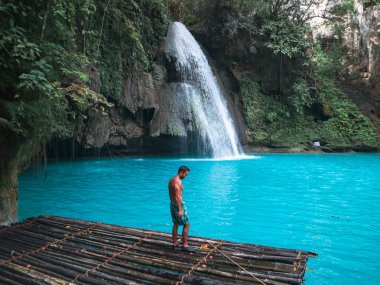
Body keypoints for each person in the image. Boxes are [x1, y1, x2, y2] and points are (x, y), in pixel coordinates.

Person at [168, 165, 196, 252]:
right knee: (187, 224)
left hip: (172, 205)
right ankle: (185, 245)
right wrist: (180, 209)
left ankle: (175, 243)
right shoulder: (177, 182)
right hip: (178, 205)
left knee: (176, 224)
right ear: (182, 172)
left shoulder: (171, 180)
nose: (186, 177)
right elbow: (177, 196)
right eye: (186, 175)